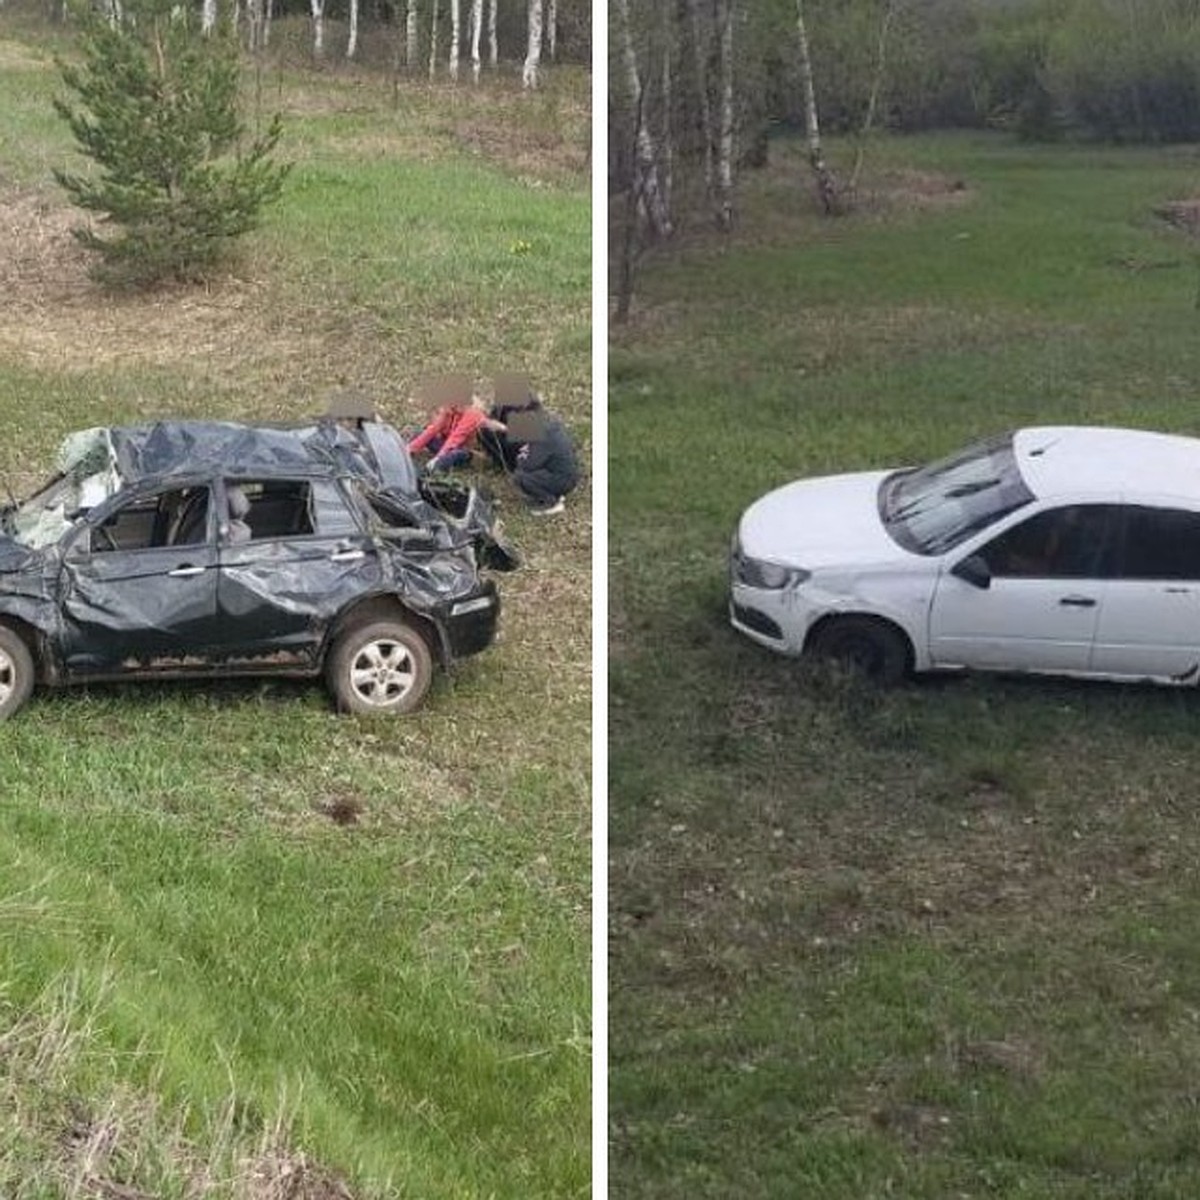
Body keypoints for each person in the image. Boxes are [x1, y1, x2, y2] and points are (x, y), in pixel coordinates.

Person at [406, 376, 488, 472]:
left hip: (467, 451)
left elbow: (455, 438)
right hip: (450, 446)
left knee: (453, 455)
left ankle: (430, 470)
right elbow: (433, 429)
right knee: (419, 434)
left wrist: (438, 458)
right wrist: (409, 449)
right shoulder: (450, 408)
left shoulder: (473, 413)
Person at [508, 408, 580, 516]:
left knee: (521, 477)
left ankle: (552, 503)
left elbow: (527, 465)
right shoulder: (551, 429)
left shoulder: (541, 438)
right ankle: (555, 494)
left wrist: (522, 455)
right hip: (569, 475)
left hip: (563, 480)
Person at [480, 373, 543, 472]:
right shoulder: (502, 404)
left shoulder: (530, 407)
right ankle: (502, 461)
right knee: (482, 431)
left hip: (526, 448)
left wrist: (503, 428)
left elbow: (528, 437)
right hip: (507, 438)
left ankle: (513, 466)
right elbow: (493, 417)